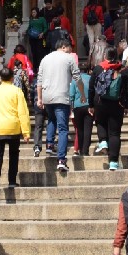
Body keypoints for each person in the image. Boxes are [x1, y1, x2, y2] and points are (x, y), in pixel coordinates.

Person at [36, 37, 85, 174]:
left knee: (51, 120)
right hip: (62, 97)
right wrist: (82, 94)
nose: (70, 50)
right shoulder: (69, 58)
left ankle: (50, 144)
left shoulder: (45, 59)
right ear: (64, 46)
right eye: (69, 48)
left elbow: (39, 81)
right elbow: (77, 78)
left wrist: (39, 98)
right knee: (63, 128)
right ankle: (61, 160)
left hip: (47, 96)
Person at [0, 68, 31, 204]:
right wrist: (26, 132)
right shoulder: (17, 91)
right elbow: (23, 112)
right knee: (13, 155)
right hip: (13, 127)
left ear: (0, 78)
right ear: (12, 78)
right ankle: (11, 181)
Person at [89, 46, 128, 170]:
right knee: (115, 133)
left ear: (105, 56)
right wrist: (127, 105)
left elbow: (91, 88)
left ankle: (103, 141)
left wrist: (91, 105)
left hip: (100, 103)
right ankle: (113, 162)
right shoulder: (123, 70)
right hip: (117, 105)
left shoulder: (98, 68)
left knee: (100, 123)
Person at [70, 61, 93, 157]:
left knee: (79, 129)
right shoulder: (91, 79)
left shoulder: (74, 80)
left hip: (77, 106)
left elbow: (71, 94)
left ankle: (80, 149)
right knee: (88, 129)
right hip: (89, 106)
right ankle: (85, 150)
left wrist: (71, 106)